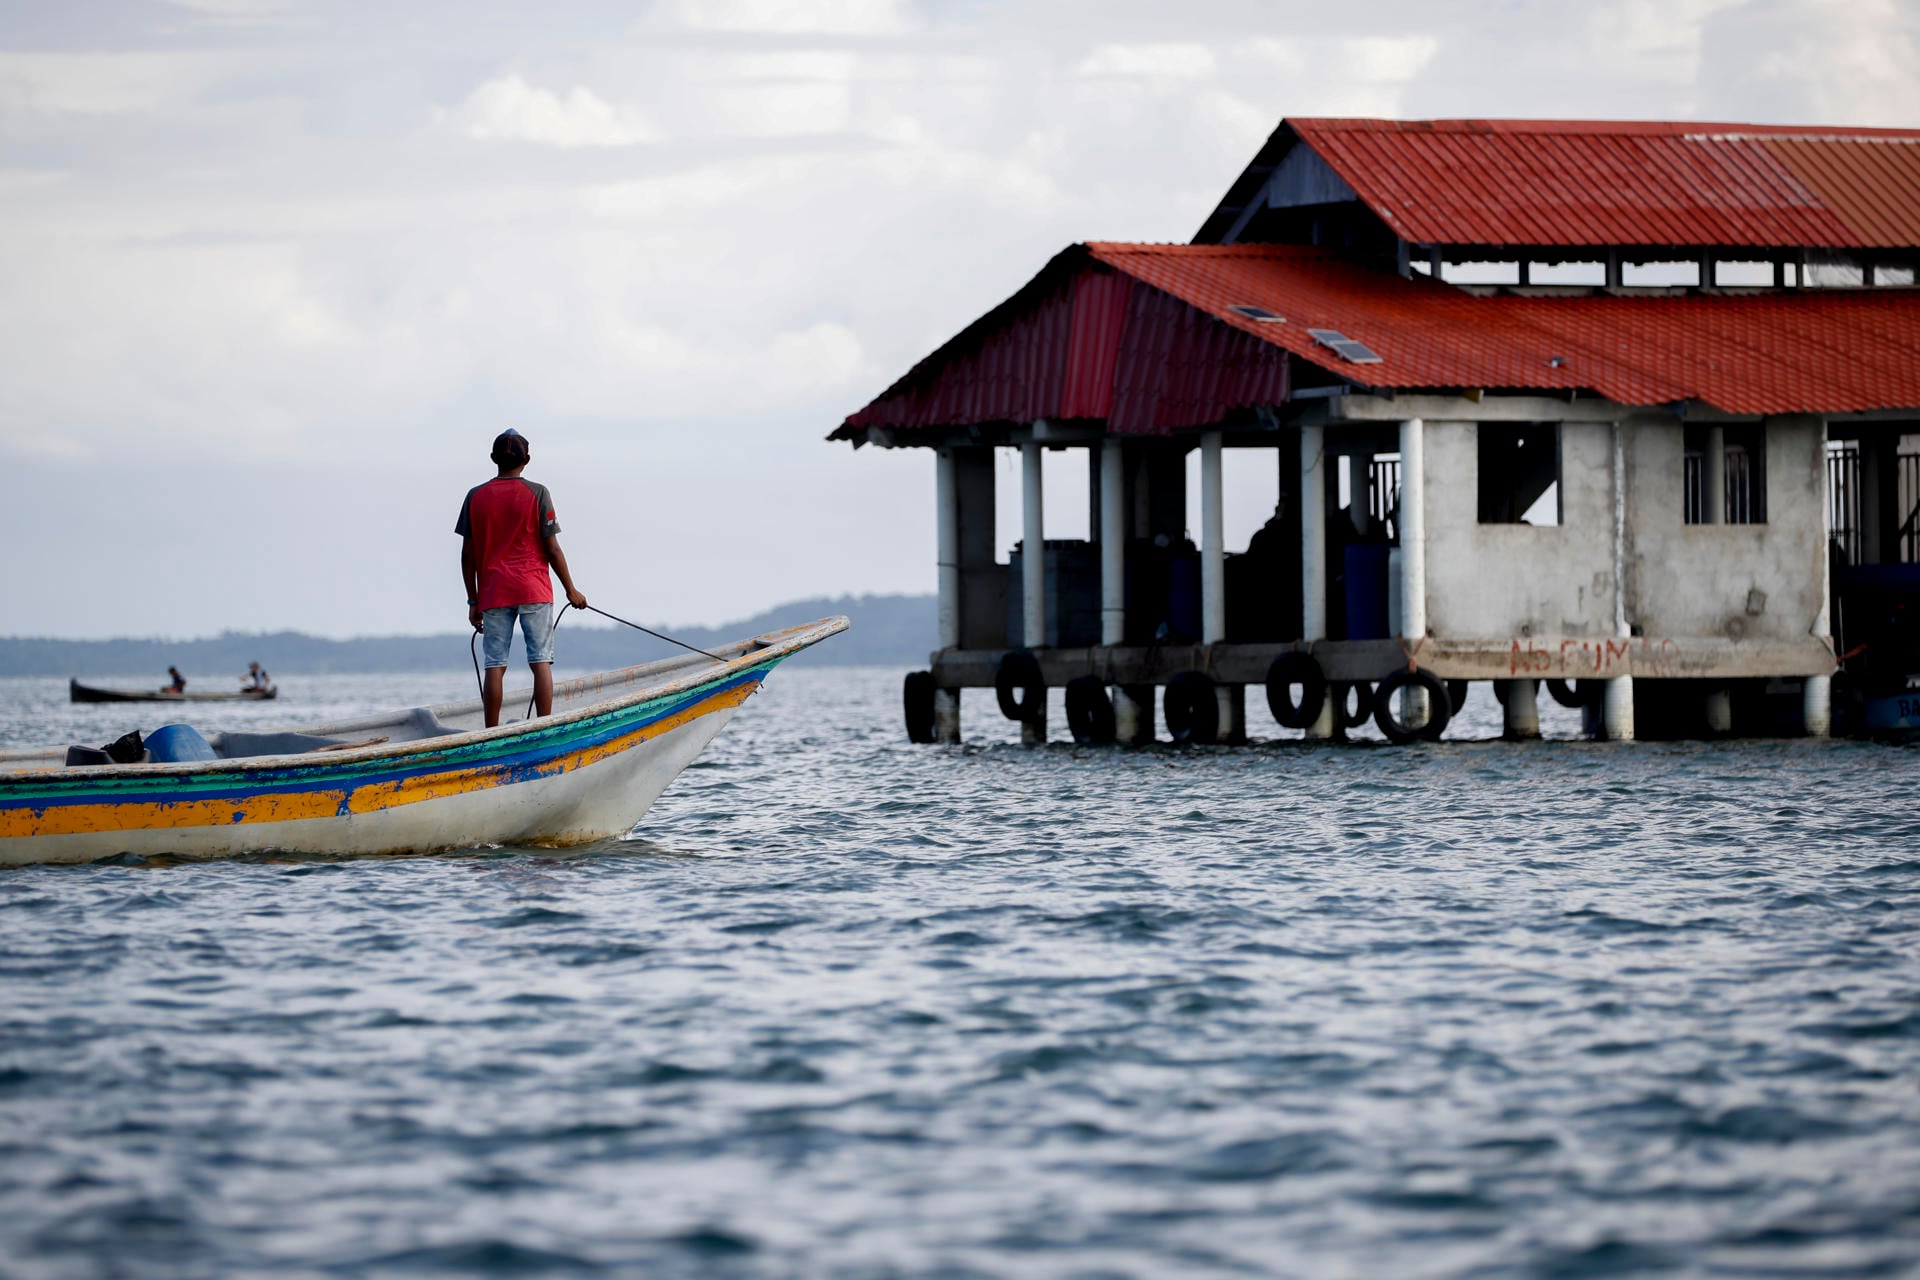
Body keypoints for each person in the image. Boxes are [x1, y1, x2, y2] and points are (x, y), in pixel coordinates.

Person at [456, 429, 587, 728]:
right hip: (534, 589)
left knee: (495, 664)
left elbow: (467, 555)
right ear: (527, 460)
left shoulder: (475, 496)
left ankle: (491, 731)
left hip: (493, 591)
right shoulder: (538, 492)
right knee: (540, 660)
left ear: (493, 459)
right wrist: (571, 590)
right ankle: (544, 726)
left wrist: (473, 600)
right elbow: (551, 548)